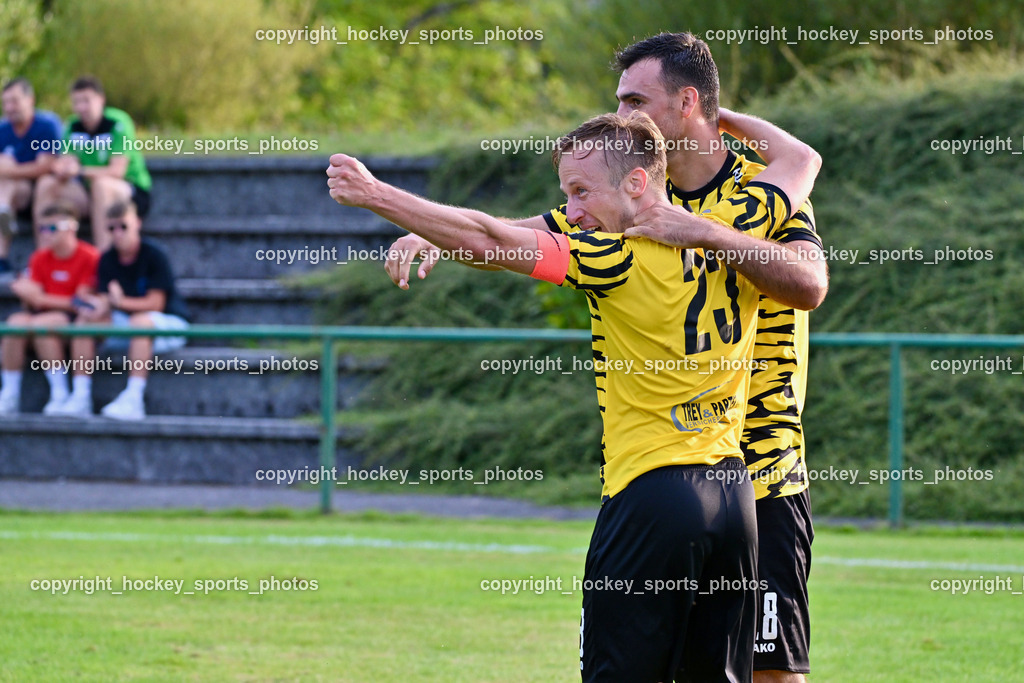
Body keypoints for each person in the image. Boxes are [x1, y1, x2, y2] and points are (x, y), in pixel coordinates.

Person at [386, 32, 826, 682]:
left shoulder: (757, 201)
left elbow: (809, 283)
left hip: (763, 469)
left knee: (770, 672)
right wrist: (438, 232)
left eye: (634, 100)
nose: (623, 116)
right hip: (719, 481)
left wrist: (707, 227)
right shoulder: (621, 204)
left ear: (687, 102)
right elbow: (518, 233)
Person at [56, 201, 189, 420]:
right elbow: (108, 301)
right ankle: (80, 396)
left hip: (169, 325)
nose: (117, 234)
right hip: (130, 326)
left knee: (140, 322)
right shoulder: (107, 259)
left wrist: (118, 302)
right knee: (84, 322)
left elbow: (156, 304)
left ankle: (134, 398)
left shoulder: (154, 254)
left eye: (123, 227)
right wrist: (98, 306)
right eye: (111, 228)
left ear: (137, 223)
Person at [34, 76, 152, 253]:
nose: (81, 107)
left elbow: (117, 171)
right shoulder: (72, 126)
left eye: (86, 101)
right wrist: (61, 169)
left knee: (101, 185)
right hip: (88, 194)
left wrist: (79, 170)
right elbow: (67, 161)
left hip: (129, 191)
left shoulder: (118, 122)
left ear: (101, 99)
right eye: (76, 102)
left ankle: (102, 259)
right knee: (46, 184)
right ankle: (41, 259)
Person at [0, 204, 99, 415]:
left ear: (71, 227)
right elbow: (31, 302)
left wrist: (39, 297)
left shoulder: (89, 256)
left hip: (73, 321)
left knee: (41, 324)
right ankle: (9, 394)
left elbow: (81, 304)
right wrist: (32, 297)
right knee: (14, 324)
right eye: (42, 228)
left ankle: (60, 394)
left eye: (52, 228)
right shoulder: (39, 257)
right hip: (46, 316)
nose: (45, 234)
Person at [0, 78, 62, 275]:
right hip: (13, 192)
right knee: (5, 185)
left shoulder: (46, 125)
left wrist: (9, 169)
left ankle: (36, 261)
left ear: (30, 100)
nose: (9, 107)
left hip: (44, 192)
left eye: (15, 101)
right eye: (5, 102)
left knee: (8, 174)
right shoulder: (2, 129)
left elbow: (45, 167)